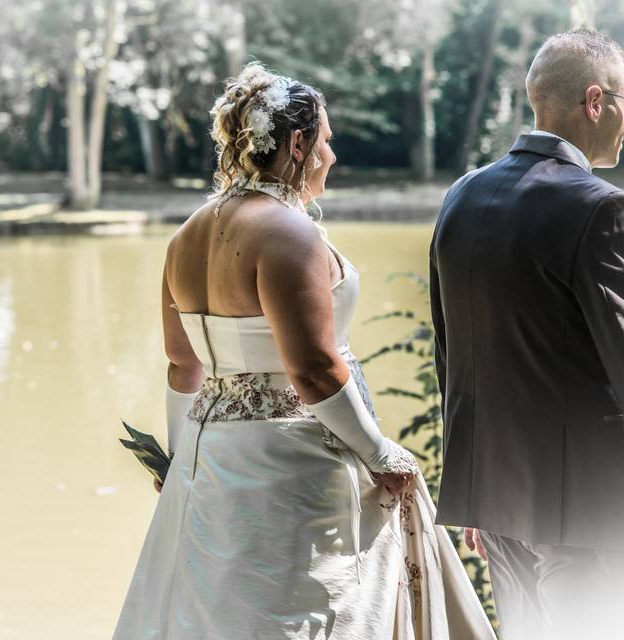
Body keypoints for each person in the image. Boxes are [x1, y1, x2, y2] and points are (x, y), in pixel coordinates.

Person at [113, 63, 494, 639]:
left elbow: (183, 364)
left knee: (216, 607)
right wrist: (378, 452)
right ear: (297, 143)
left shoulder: (184, 236)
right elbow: (313, 369)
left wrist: (177, 457)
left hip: (212, 460)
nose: (332, 156)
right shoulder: (289, 234)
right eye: (327, 141)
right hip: (290, 465)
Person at [429, 29, 624, 640]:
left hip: (498, 500)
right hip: (586, 511)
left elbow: (455, 352)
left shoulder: (462, 198)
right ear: (596, 101)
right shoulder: (601, 208)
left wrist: (474, 480)